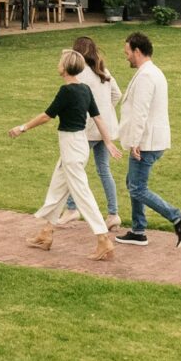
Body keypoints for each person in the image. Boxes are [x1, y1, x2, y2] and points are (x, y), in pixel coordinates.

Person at [9, 49, 121, 260]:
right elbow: (98, 118)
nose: (57, 63)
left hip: (72, 147)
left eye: (60, 61)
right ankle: (46, 233)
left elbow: (46, 116)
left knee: (82, 194)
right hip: (78, 144)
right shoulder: (85, 89)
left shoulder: (66, 91)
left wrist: (22, 128)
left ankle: (103, 239)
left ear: (64, 68)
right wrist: (107, 141)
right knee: (57, 189)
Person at [115, 30, 181, 247]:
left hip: (146, 142)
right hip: (151, 140)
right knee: (133, 182)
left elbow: (141, 111)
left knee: (137, 187)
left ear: (137, 51)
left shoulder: (147, 76)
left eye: (127, 52)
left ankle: (177, 218)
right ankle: (138, 231)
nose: (126, 56)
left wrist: (135, 142)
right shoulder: (152, 72)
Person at [60, 34, 122, 231]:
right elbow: (117, 94)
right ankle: (113, 214)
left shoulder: (79, 74)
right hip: (107, 130)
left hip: (87, 130)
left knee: (73, 168)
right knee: (104, 170)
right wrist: (105, 110)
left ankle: (71, 208)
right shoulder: (103, 70)